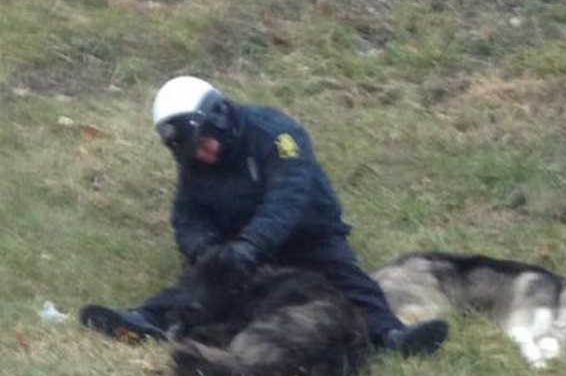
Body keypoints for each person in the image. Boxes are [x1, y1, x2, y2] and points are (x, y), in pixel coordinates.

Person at [80, 76, 448, 358]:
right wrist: (204, 249)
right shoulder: (195, 160)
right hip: (238, 242)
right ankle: (147, 320)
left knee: (348, 279)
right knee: (200, 282)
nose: (204, 154)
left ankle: (392, 335)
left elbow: (288, 197)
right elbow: (187, 214)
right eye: (193, 151)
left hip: (308, 236)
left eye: (205, 141)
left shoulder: (276, 134)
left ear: (220, 118)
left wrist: (252, 245)